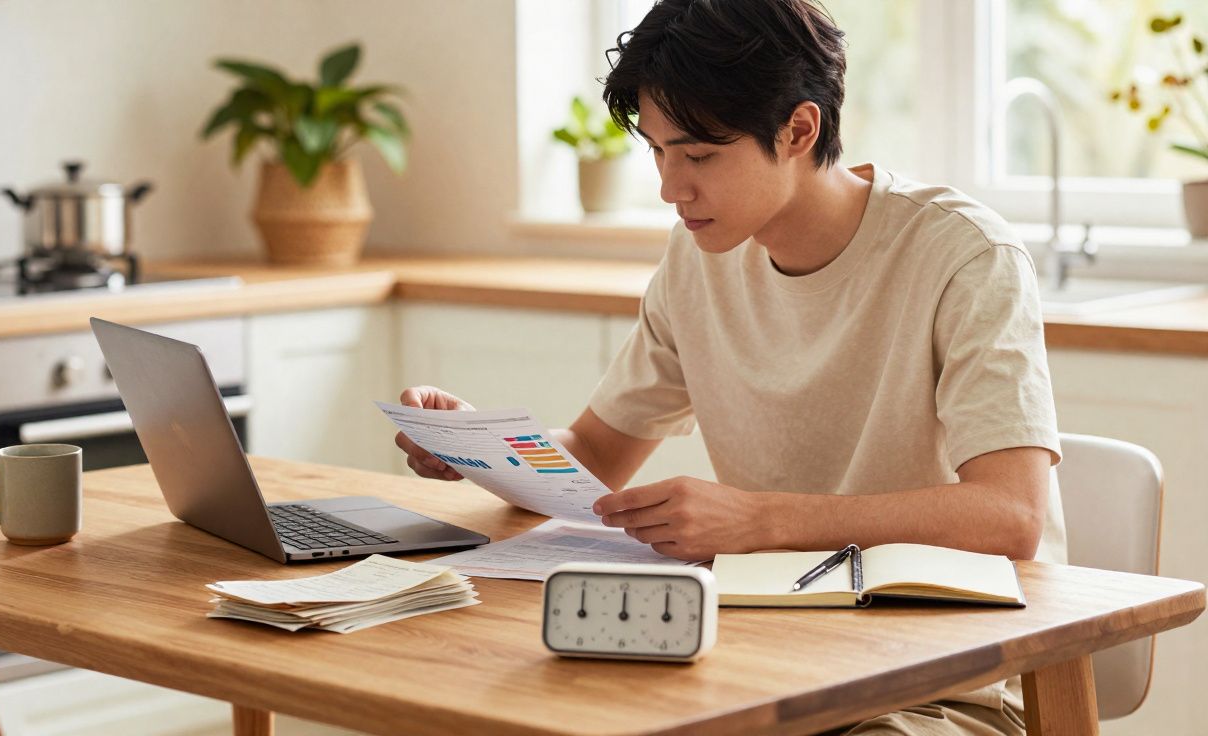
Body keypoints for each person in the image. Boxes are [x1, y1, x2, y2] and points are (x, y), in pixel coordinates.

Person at [393, 1, 1063, 733]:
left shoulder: (963, 257)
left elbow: (1011, 516)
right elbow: (594, 457)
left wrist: (758, 520)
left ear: (799, 130)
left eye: (699, 155)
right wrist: (480, 447)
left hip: (938, 677)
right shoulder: (699, 261)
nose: (670, 187)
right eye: (656, 151)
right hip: (758, 659)